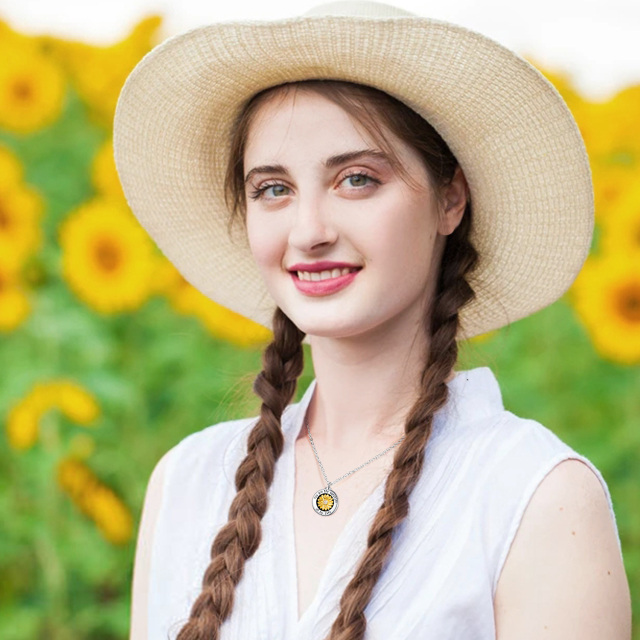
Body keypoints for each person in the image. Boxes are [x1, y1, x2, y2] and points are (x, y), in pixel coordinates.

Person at [113, 2, 632, 639]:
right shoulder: (188, 484)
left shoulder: (534, 497)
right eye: (273, 189)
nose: (308, 232)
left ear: (450, 199)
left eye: (356, 180)